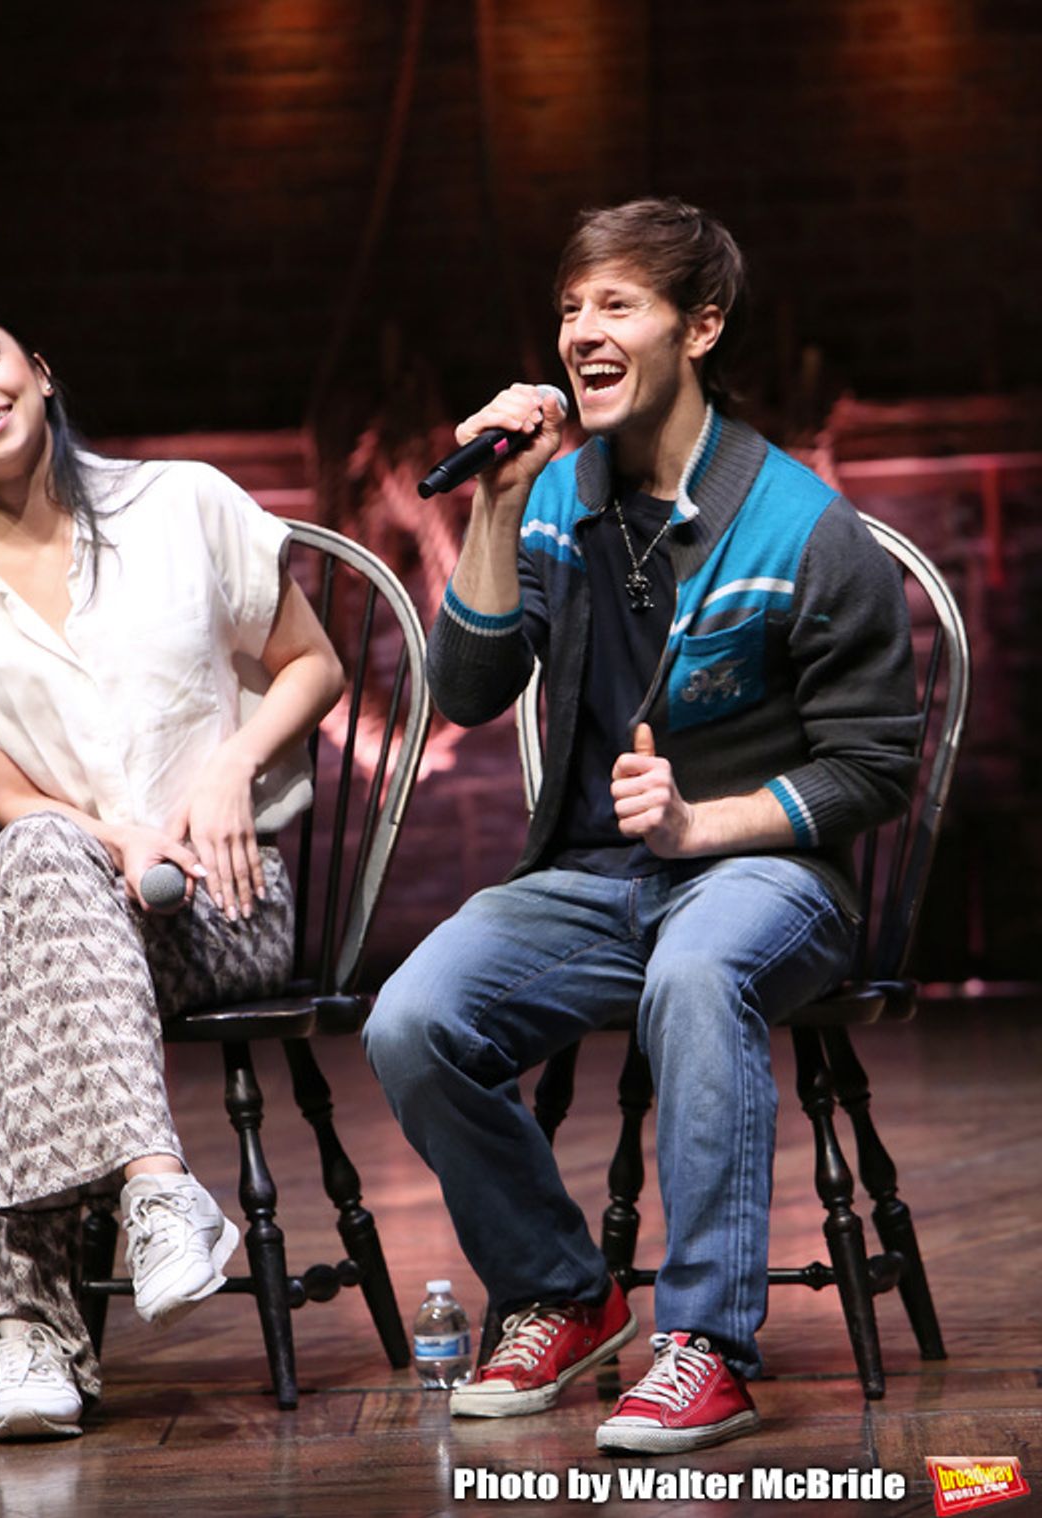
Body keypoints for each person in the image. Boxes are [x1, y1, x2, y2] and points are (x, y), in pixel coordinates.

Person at [363, 198, 919, 1454]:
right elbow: (465, 692)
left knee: (699, 961)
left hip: (772, 880)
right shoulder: (557, 500)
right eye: (569, 307)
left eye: (617, 304)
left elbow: (877, 767)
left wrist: (703, 824)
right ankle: (563, 1291)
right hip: (593, 880)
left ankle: (707, 1344)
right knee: (412, 1018)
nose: (581, 332)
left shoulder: (801, 526)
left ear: (701, 327)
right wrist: (496, 509)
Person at [0, 295, 344, 1440]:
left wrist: (228, 770)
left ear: (40, 370)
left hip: (223, 895)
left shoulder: (180, 503)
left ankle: (30, 1331)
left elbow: (311, 665)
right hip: (80, 884)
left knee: (25, 955)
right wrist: (117, 839)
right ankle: (154, 1190)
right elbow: (14, 800)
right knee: (35, 856)